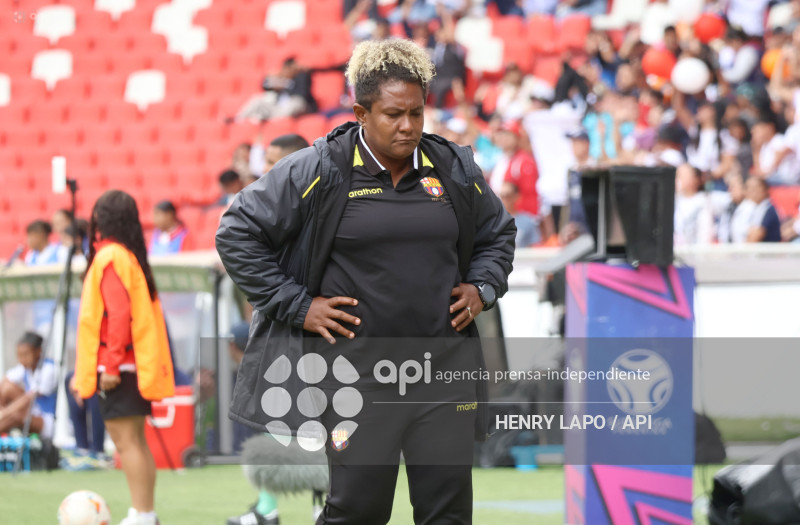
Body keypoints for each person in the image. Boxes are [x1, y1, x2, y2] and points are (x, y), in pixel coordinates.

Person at [216, 38, 515, 525]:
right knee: (358, 512)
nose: (409, 126)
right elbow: (237, 231)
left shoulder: (454, 168)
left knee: (449, 515)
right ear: (361, 112)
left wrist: (482, 286)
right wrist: (297, 305)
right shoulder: (320, 168)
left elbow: (497, 233)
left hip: (442, 376)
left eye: (417, 113)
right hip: (355, 380)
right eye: (394, 114)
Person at [73, 190, 175, 525]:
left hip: (118, 364)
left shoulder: (110, 257)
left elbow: (118, 316)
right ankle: (144, 512)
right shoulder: (128, 256)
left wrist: (112, 365)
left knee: (126, 442)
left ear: (102, 219)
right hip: (132, 363)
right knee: (135, 441)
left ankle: (143, 514)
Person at [0, 332, 57, 440]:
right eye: (19, 355)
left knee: (15, 416)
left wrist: (4, 413)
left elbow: (28, 398)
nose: (21, 359)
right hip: (32, 412)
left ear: (38, 352)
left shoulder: (48, 369)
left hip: (47, 422)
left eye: (25, 355)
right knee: (6, 388)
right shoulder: (25, 368)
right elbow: (3, 384)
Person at [234, 58, 316, 123]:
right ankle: (238, 120)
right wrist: (276, 80)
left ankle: (272, 121)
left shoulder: (301, 76)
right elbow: (264, 85)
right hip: (279, 108)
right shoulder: (280, 78)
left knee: (296, 103)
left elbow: (302, 94)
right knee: (258, 99)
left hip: (297, 107)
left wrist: (286, 86)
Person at [742, 177, 782, 242]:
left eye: (754, 188)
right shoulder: (754, 208)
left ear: (765, 190)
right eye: (748, 188)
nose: (750, 191)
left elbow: (755, 238)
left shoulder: (769, 210)